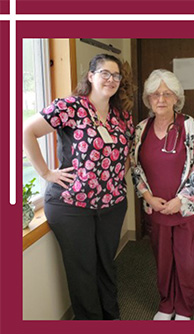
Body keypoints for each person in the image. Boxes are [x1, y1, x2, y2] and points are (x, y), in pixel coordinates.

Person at [22, 53, 134, 320]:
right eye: (104, 73)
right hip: (72, 205)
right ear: (91, 76)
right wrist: (46, 173)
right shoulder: (70, 107)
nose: (111, 79)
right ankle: (91, 325)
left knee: (107, 264)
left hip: (112, 204)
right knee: (82, 269)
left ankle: (112, 317)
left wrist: (112, 177)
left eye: (116, 75)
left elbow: (125, 156)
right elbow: (27, 131)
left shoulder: (122, 116)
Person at [132, 69, 194, 321]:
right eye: (155, 94)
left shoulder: (190, 125)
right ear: (148, 99)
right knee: (163, 262)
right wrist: (148, 197)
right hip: (157, 209)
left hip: (187, 210)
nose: (161, 99)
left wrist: (181, 200)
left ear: (177, 98)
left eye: (167, 94)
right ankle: (166, 305)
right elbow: (135, 167)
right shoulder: (141, 129)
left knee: (185, 263)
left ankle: (185, 309)